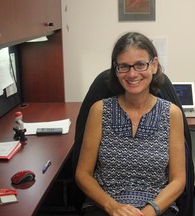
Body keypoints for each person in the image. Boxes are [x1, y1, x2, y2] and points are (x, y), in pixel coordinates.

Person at [75, 32, 186, 216]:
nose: (132, 74)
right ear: (116, 69)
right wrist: (113, 207)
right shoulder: (99, 111)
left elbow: (178, 179)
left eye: (140, 65)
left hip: (156, 207)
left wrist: (150, 211)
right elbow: (83, 174)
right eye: (124, 66)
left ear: (154, 65)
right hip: (105, 206)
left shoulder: (172, 113)